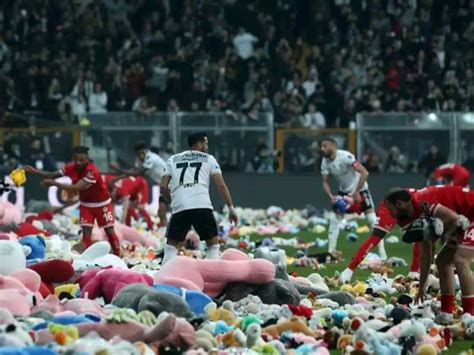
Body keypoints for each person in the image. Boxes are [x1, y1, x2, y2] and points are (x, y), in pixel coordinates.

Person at [384, 186, 474, 323]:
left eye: (391, 209)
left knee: (461, 259)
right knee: (442, 262)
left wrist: (438, 230)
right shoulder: (414, 211)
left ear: (399, 204)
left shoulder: (422, 202)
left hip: (468, 214)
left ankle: (470, 314)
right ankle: (447, 312)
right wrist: (422, 286)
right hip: (460, 219)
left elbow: (454, 218)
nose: (391, 214)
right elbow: (426, 253)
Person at [24, 146, 121, 255]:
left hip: (102, 204)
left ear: (87, 159)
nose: (78, 163)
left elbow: (76, 187)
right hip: (86, 205)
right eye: (76, 160)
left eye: (82, 160)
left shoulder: (92, 171)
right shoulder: (70, 167)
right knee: (86, 235)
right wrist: (35, 171)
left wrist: (53, 183)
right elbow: (52, 174)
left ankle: (118, 255)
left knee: (109, 232)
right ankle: (84, 258)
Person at [160, 132, 238, 265]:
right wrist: (231, 208)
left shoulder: (172, 159)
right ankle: (213, 279)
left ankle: (163, 280)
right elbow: (221, 185)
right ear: (198, 143)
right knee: (213, 246)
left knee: (170, 248)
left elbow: (163, 186)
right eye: (205, 143)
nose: (207, 146)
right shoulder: (209, 159)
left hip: (181, 207)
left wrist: (172, 202)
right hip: (201, 205)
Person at [320, 138, 387, 269]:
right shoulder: (325, 162)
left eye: (324, 146)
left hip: (361, 190)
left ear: (333, 146)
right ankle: (331, 252)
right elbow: (325, 182)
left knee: (373, 220)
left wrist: (356, 191)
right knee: (334, 219)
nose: (322, 149)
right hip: (343, 193)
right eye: (321, 146)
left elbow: (364, 172)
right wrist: (331, 196)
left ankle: (383, 255)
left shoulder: (346, 156)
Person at [340, 193, 422, 283]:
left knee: (421, 236)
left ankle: (414, 272)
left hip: (407, 205)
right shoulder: (426, 200)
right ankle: (349, 270)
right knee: (376, 236)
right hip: (396, 203)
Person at [110, 141, 169, 228]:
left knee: (176, 210)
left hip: (172, 184)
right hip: (164, 186)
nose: (141, 156)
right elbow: (132, 171)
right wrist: (117, 178)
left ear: (146, 151)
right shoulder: (139, 160)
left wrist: (119, 170)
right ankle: (165, 233)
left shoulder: (150, 158)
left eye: (142, 153)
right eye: (139, 154)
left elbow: (137, 173)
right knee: (161, 213)